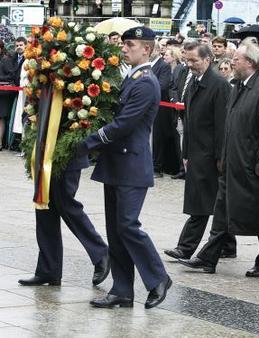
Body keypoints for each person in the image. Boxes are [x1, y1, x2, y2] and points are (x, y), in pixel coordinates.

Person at [77, 27, 171, 309]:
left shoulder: (146, 82)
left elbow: (124, 124)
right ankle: (122, 290)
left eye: (130, 45)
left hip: (131, 163)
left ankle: (158, 278)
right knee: (116, 230)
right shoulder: (131, 77)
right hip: (117, 163)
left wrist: (87, 143)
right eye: (125, 44)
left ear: (147, 49)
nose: (124, 49)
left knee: (128, 226)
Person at [178, 39, 259, 277]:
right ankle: (208, 258)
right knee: (223, 211)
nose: (231, 62)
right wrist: (224, 157)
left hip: (253, 165)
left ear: (251, 62)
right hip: (232, 164)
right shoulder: (237, 87)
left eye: (236, 59)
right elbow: (228, 127)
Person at [164, 41, 237, 261]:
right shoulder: (194, 83)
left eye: (194, 60)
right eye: (188, 60)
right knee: (211, 202)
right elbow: (188, 122)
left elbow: (222, 125)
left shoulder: (219, 86)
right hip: (196, 152)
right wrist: (185, 153)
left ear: (208, 60)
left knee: (203, 204)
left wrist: (220, 157)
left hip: (210, 155)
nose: (190, 64)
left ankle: (185, 247)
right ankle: (228, 245)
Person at [18, 155, 110, 287]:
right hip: (45, 154)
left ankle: (101, 252)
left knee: (67, 205)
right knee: (44, 206)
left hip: (67, 155)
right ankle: (49, 270)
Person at [151, 41, 179, 178]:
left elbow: (162, 85)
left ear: (156, 51)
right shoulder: (146, 66)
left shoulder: (163, 66)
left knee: (158, 137)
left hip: (160, 107)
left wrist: (144, 89)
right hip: (149, 107)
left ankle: (157, 167)